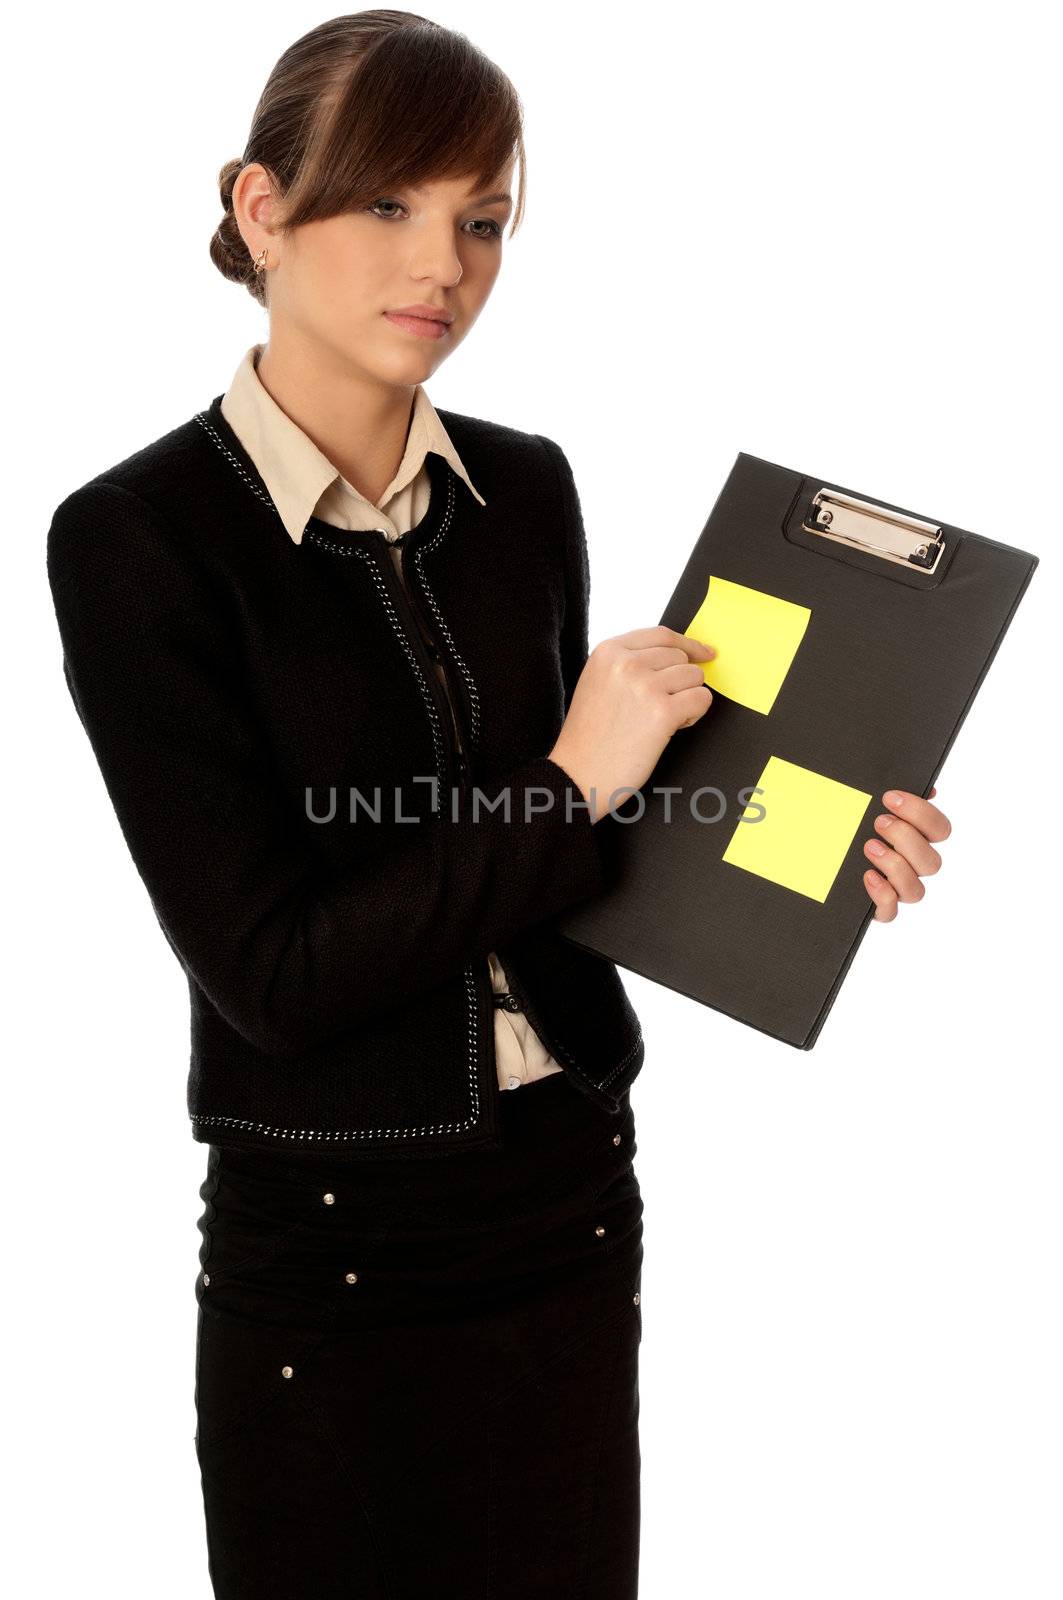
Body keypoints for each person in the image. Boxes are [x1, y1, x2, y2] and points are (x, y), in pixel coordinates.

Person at [45, 12, 952, 1597]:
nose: (443, 265)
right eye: (390, 205)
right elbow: (275, 973)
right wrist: (567, 781)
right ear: (262, 211)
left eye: (483, 220)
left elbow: (578, 853)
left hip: (568, 1200)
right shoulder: (138, 542)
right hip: (329, 1240)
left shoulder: (525, 491)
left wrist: (815, 844)